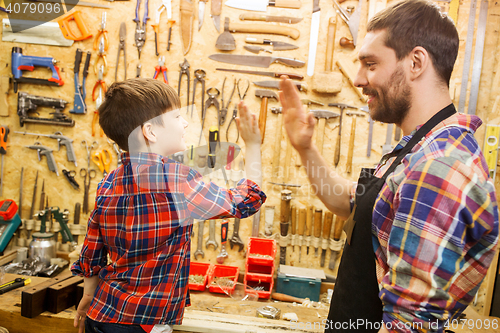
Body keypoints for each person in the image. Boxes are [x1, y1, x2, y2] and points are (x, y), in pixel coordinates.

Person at [279, 0, 499, 332]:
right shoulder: (415, 150)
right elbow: (350, 204)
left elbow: (407, 326)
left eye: (370, 64)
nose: (357, 78)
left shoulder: (437, 168)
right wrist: (305, 147)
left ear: (415, 62)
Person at [71, 78, 266, 333]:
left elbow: (92, 251)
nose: (185, 123)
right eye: (176, 117)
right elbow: (247, 200)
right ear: (150, 132)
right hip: (143, 324)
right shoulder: (177, 181)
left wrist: (87, 297)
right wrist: (252, 145)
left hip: (102, 313)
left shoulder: (108, 182)